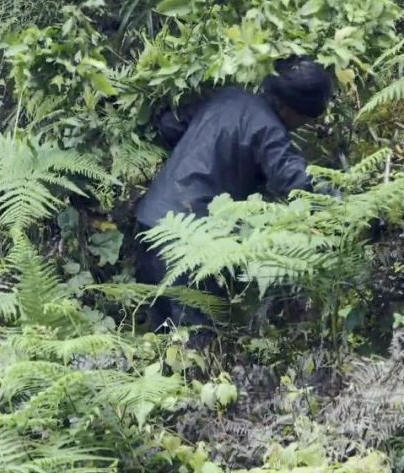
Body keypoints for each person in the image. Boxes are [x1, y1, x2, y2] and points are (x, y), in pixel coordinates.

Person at [133, 56, 334, 335]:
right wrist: (340, 199)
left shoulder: (228, 96)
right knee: (196, 343)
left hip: (149, 222)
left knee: (160, 336)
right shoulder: (268, 129)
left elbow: (170, 125)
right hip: (189, 240)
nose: (302, 126)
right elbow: (296, 181)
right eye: (306, 119)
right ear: (291, 108)